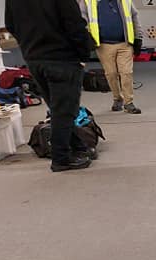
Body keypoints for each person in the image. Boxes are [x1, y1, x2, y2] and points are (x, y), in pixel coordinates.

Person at [5, 0, 95, 171]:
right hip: (62, 59)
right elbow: (75, 25)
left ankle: (79, 148)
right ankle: (61, 158)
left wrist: (29, 46)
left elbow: (10, 25)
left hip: (34, 60)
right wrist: (84, 55)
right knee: (65, 110)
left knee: (59, 109)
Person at [78, 0, 143, 114]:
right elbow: (81, 19)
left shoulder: (125, 1)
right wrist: (86, 36)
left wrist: (138, 37)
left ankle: (129, 102)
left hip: (125, 44)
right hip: (104, 45)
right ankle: (117, 98)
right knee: (111, 74)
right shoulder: (88, 2)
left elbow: (134, 17)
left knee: (126, 72)